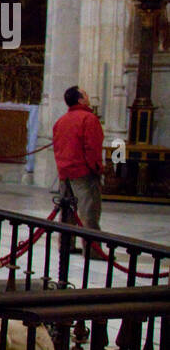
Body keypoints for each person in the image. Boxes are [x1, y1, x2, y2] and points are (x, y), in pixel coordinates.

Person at [52, 85, 104, 250]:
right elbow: (92, 147)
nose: (88, 97)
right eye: (86, 94)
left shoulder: (61, 121)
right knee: (89, 212)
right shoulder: (88, 119)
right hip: (83, 172)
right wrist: (97, 168)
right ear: (80, 99)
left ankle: (66, 244)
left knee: (67, 213)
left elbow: (58, 146)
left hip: (64, 172)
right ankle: (93, 250)